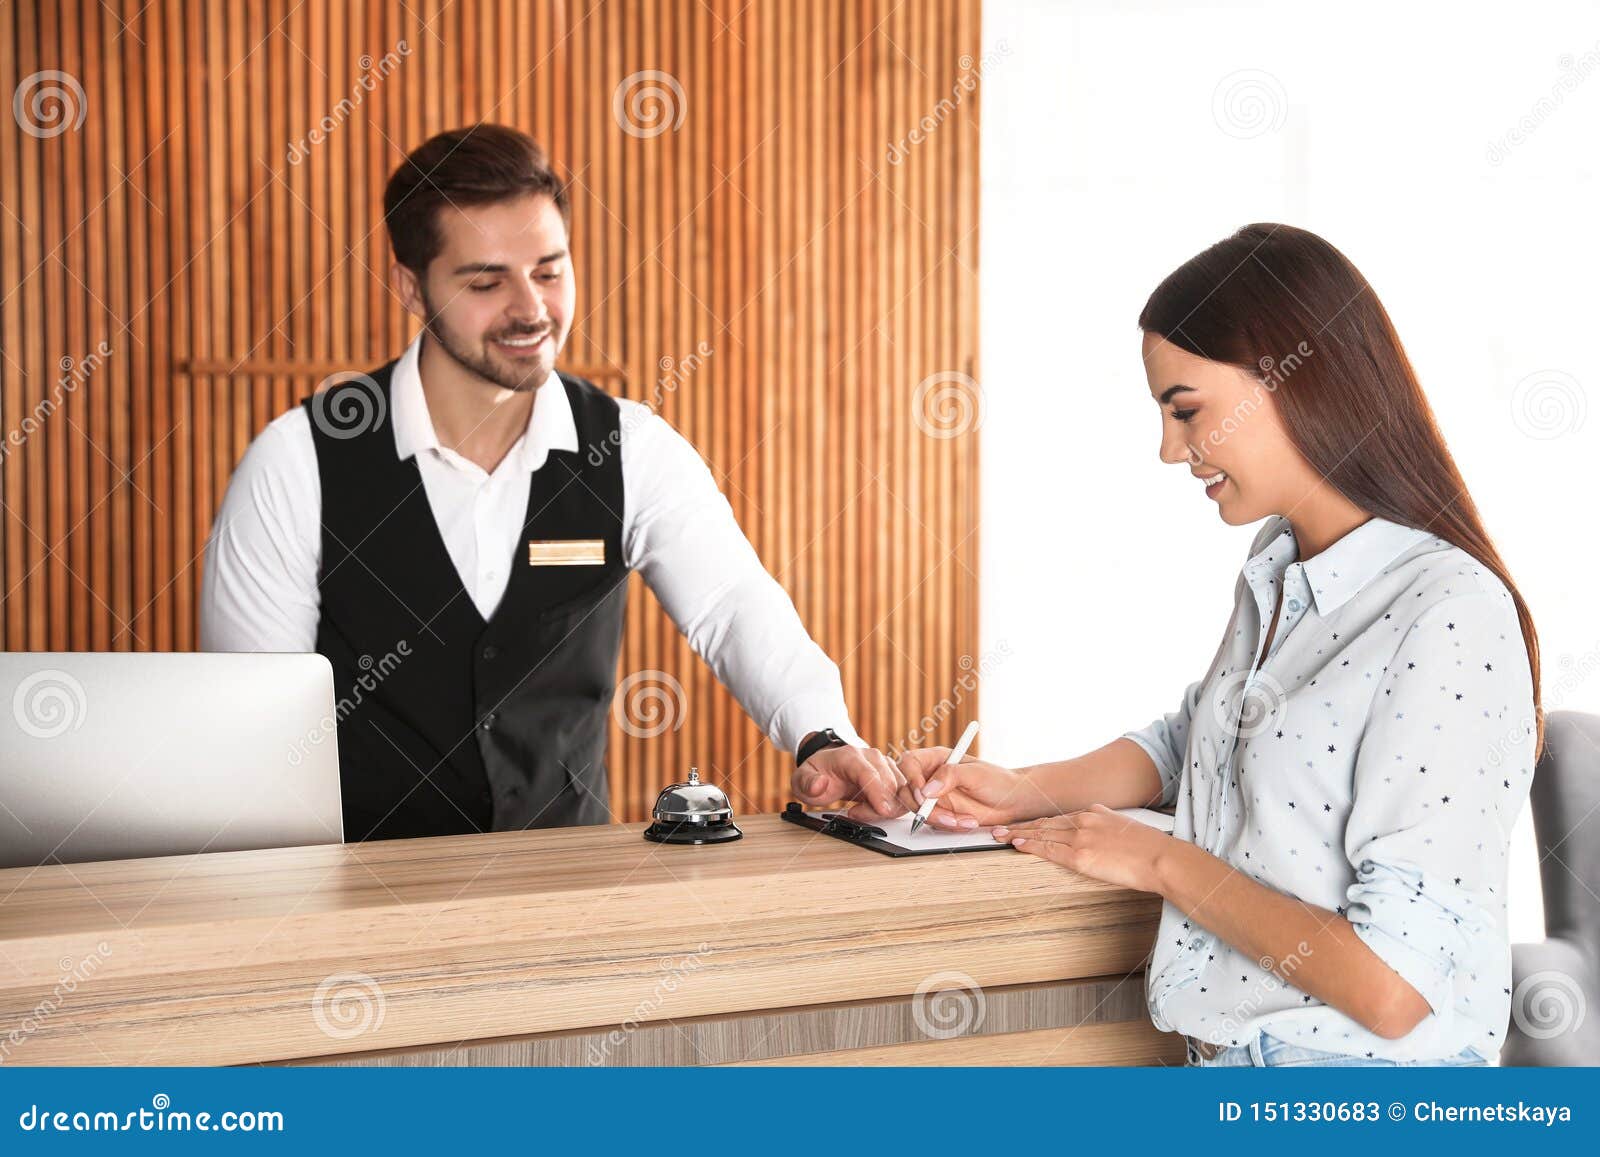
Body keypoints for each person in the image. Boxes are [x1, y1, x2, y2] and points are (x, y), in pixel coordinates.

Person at [898, 224, 1540, 1067]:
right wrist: (1021, 791)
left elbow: (1394, 987)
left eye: (1186, 409)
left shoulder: (1448, 614)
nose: (1171, 449)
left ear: (1291, 376)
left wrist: (1163, 861)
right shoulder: (1279, 569)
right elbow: (1197, 740)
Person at [201, 123, 910, 842]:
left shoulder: (630, 446)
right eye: (486, 281)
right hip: (361, 903)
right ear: (411, 287)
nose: (531, 310)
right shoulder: (298, 462)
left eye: (549, 270)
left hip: (569, 895)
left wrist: (823, 737)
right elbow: (257, 731)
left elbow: (732, 605)